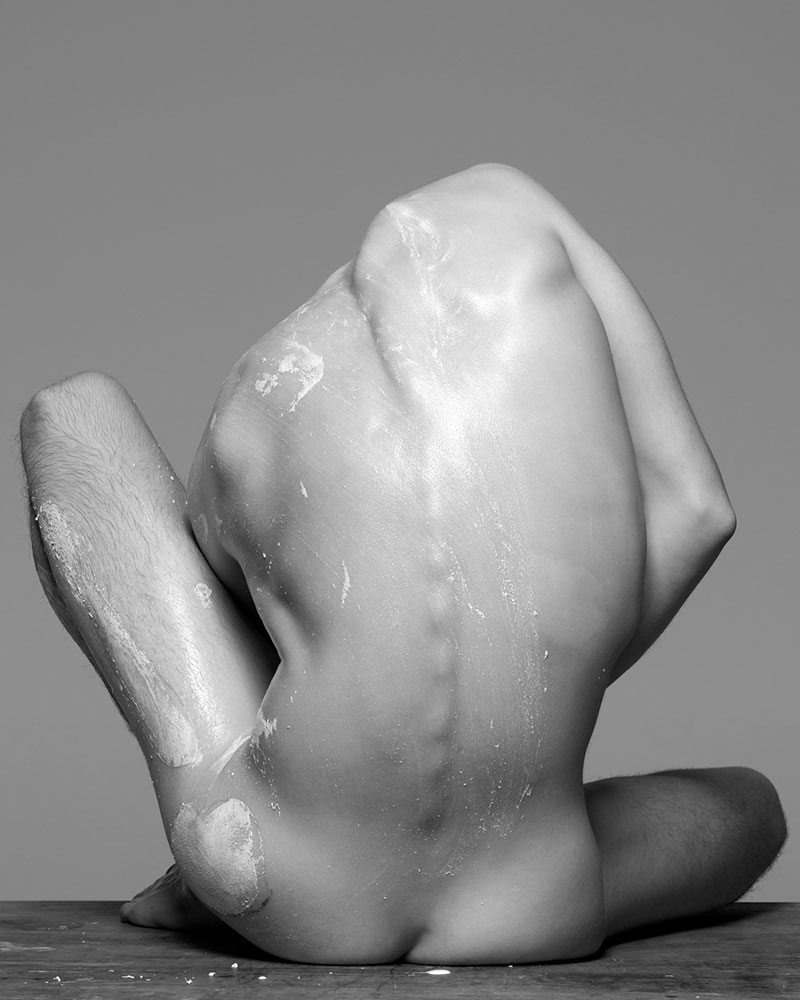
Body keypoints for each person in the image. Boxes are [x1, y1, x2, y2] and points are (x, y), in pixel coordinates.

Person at [20, 164, 786, 966]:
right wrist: (534, 681)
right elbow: (701, 513)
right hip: (534, 898)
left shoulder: (272, 383)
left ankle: (214, 866)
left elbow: (219, 584)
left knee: (72, 410)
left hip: (285, 872)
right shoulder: (522, 215)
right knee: (753, 807)